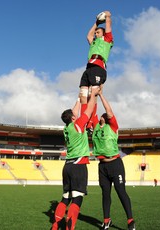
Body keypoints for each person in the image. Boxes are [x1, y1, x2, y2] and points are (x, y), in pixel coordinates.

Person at [51, 86, 100, 230]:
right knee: (77, 199)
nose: (76, 114)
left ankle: (55, 225)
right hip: (78, 165)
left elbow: (74, 113)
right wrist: (93, 96)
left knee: (65, 197)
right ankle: (69, 228)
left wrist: (79, 99)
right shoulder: (78, 124)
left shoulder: (66, 129)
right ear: (73, 118)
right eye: (74, 114)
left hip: (67, 166)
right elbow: (89, 109)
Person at [91, 91, 135, 230]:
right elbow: (92, 109)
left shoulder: (113, 126)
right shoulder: (95, 126)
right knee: (105, 194)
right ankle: (106, 220)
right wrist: (94, 95)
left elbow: (109, 111)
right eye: (102, 115)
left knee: (121, 191)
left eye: (105, 115)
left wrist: (101, 95)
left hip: (115, 164)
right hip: (102, 166)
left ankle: (130, 221)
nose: (104, 115)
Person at [79, 10, 113, 130]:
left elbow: (108, 25)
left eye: (97, 32)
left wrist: (107, 16)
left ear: (103, 34)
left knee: (93, 95)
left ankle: (92, 122)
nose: (95, 33)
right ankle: (84, 120)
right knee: (83, 95)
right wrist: (96, 23)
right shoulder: (93, 42)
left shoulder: (107, 39)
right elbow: (88, 35)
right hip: (88, 68)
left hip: (99, 68)